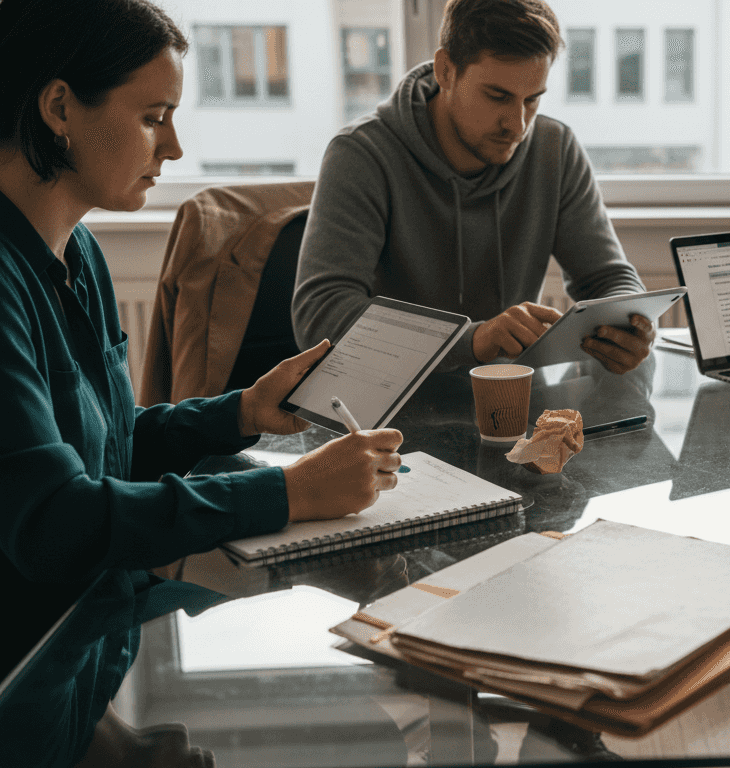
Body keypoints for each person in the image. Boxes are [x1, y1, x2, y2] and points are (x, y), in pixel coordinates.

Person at [0, 0, 403, 759]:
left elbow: (107, 445)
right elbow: (55, 523)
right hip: (30, 664)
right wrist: (290, 492)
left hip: (94, 634)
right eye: (155, 117)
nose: (175, 147)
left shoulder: (75, 252)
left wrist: (239, 413)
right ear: (58, 107)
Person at [293, 0, 653, 375]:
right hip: (384, 401)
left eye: (532, 100)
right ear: (446, 71)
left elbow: (608, 278)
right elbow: (320, 314)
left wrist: (631, 323)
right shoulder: (362, 154)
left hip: (508, 397)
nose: (517, 125)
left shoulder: (554, 149)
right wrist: (472, 341)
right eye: (497, 96)